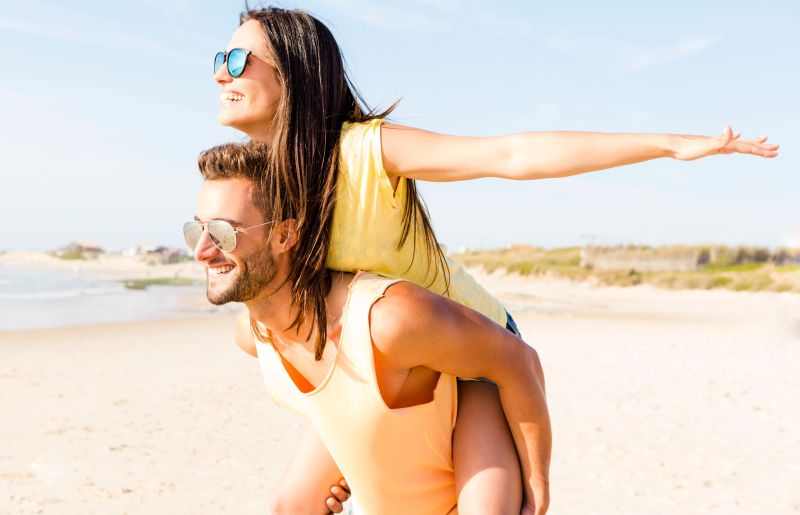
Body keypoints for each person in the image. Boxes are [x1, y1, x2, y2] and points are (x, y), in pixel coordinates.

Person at [210, 6, 779, 512]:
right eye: (220, 58)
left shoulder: (364, 150)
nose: (220, 73)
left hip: (474, 354)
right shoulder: (257, 186)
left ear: (295, 71)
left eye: (237, 59)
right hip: (374, 361)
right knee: (292, 505)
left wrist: (669, 144)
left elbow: (509, 153)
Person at [187, 142, 551, 515]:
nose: (201, 250)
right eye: (196, 230)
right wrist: (344, 457)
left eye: (223, 232)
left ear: (284, 234)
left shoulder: (386, 318)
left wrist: (537, 486)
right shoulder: (253, 336)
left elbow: (518, 360)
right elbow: (346, 401)